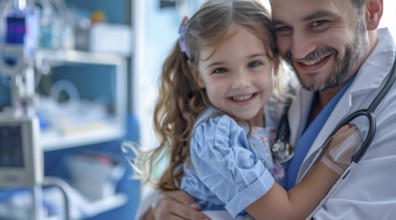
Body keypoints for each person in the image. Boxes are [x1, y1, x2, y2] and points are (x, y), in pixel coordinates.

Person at [136, 0, 396, 219]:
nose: (299, 50)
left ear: (371, 9)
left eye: (319, 23)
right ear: (198, 75)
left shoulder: (388, 112)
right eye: (283, 28)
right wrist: (157, 207)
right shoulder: (266, 104)